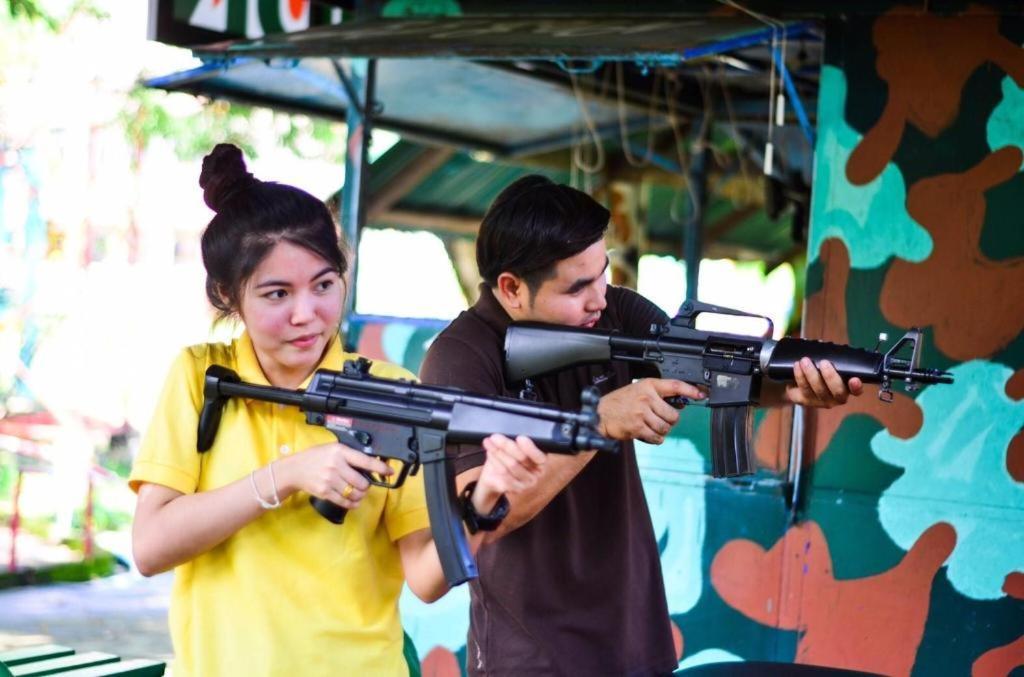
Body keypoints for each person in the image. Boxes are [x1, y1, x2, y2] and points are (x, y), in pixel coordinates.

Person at [419, 175, 865, 676]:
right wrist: (598, 424)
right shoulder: (460, 358)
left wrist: (794, 389)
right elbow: (484, 514)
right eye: (578, 287)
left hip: (636, 641)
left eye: (602, 274)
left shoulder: (616, 313)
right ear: (511, 288)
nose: (600, 299)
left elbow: (712, 369)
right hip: (531, 657)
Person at [129, 145, 547, 677]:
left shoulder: (392, 391)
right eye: (277, 294)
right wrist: (288, 475)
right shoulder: (200, 375)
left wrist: (488, 494)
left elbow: (424, 577)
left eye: (324, 285)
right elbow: (149, 548)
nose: (307, 315)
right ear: (228, 296)